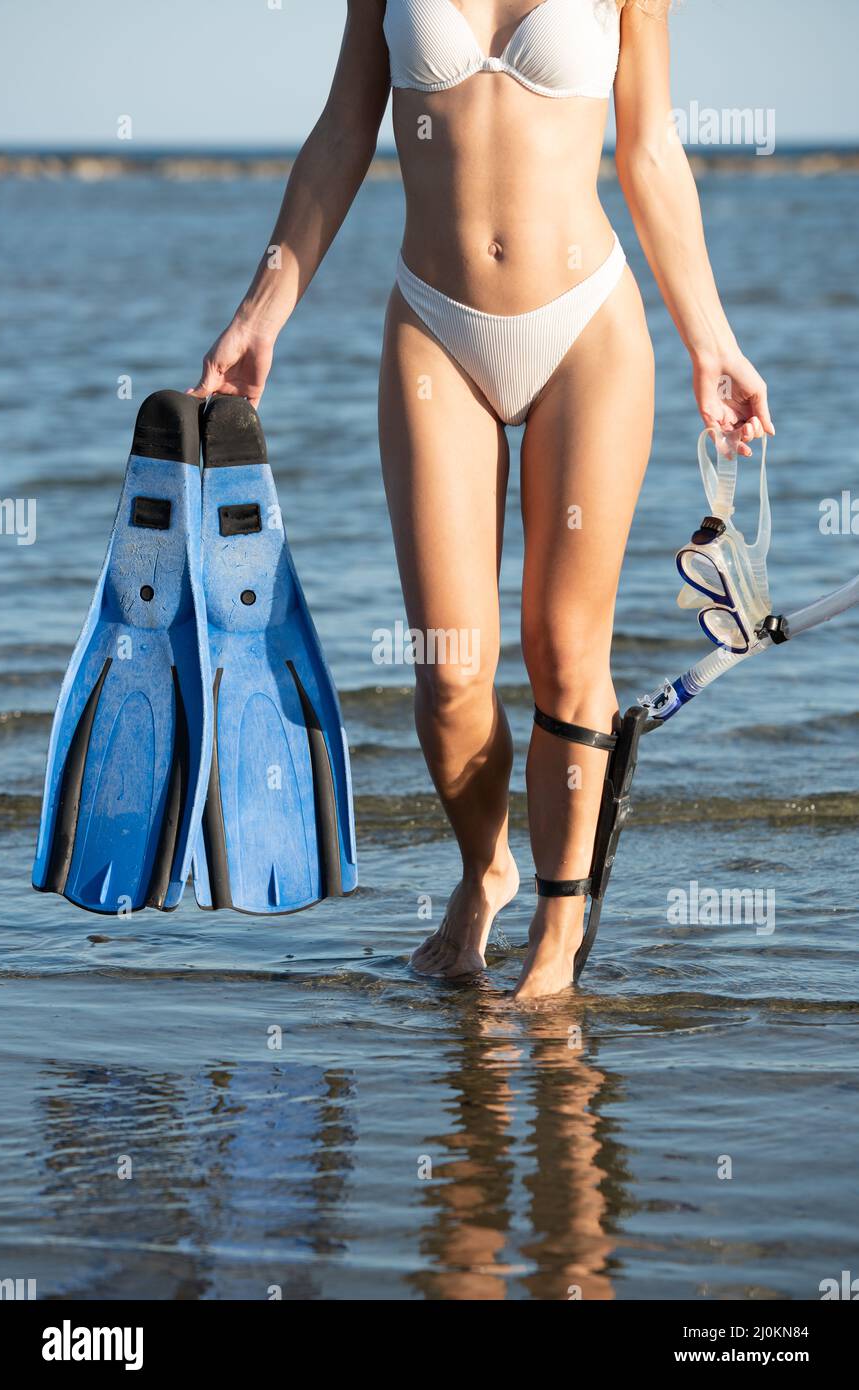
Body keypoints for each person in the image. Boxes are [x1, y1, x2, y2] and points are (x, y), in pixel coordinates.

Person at [191, 0, 774, 998]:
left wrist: (710, 338)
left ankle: (554, 939)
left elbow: (650, 151)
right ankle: (485, 867)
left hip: (588, 325)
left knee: (562, 650)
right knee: (450, 674)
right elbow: (341, 132)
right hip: (435, 327)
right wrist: (261, 310)